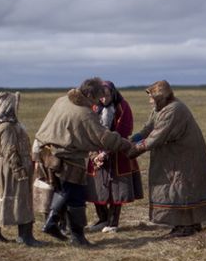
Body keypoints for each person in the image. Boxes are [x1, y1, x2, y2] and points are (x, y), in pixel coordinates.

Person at [34, 78, 135, 246]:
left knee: (64, 192)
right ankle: (76, 236)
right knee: (76, 198)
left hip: (47, 153)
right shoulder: (84, 113)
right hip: (67, 158)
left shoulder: (62, 100)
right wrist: (126, 145)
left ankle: (53, 223)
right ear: (89, 94)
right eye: (96, 98)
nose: (97, 103)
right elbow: (104, 138)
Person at [128, 80, 206, 237]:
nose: (150, 101)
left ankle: (185, 226)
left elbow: (156, 137)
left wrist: (131, 150)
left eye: (152, 98)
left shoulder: (173, 109)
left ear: (160, 97)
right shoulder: (159, 108)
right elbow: (148, 129)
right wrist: (132, 139)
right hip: (175, 154)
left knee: (180, 187)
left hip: (184, 155)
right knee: (180, 186)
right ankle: (190, 223)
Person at [0, 91, 43, 247]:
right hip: (10, 167)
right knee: (21, 198)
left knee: (0, 197)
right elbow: (10, 150)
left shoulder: (5, 125)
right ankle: (25, 236)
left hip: (5, 166)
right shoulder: (7, 127)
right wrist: (19, 170)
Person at [85, 81, 144, 233]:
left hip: (118, 153)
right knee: (96, 186)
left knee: (117, 189)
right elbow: (89, 130)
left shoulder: (123, 107)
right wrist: (95, 155)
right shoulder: (93, 108)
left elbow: (123, 131)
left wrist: (107, 152)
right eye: (101, 96)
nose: (103, 99)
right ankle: (102, 218)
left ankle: (113, 222)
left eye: (106, 95)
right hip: (96, 153)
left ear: (113, 93)